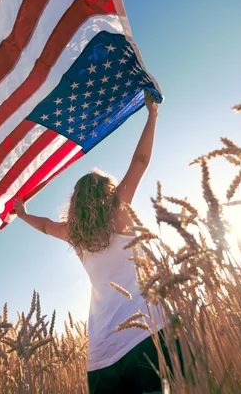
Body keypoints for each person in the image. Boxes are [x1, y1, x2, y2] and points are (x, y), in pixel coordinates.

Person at [14, 91, 175, 393]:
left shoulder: (75, 235)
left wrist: (22, 214)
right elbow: (140, 161)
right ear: (108, 193)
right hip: (146, 338)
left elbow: (47, 226)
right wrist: (152, 114)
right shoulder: (119, 214)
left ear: (77, 203)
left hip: (101, 359)